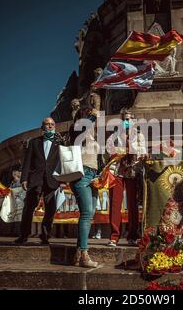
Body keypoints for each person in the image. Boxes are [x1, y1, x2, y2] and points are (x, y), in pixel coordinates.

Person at [15, 117, 65, 245]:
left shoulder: (60, 142)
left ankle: (45, 235)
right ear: (42, 127)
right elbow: (27, 162)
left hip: (52, 180)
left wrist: (63, 180)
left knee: (51, 209)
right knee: (29, 207)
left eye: (52, 124)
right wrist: (24, 178)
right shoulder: (33, 142)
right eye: (47, 124)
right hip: (35, 179)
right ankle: (24, 235)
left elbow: (64, 161)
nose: (50, 126)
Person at [106, 109, 147, 247]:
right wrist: (118, 152)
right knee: (115, 204)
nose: (126, 121)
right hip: (118, 171)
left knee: (132, 204)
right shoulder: (114, 136)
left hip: (133, 172)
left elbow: (143, 152)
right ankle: (114, 236)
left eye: (129, 119)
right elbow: (108, 149)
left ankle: (133, 236)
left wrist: (139, 156)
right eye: (124, 119)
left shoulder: (140, 136)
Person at [69, 107, 100, 267]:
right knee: (86, 213)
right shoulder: (77, 129)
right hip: (81, 174)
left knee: (90, 214)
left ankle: (77, 254)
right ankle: (84, 255)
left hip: (93, 175)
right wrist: (93, 115)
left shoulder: (92, 136)